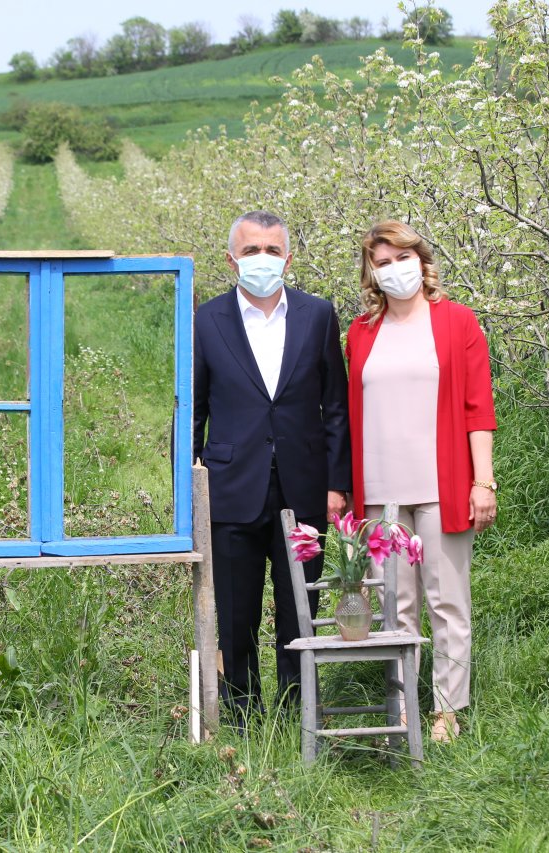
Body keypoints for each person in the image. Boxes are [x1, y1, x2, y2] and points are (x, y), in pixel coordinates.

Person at [194, 210, 351, 727]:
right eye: (251, 250)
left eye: (272, 250)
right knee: (236, 613)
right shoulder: (205, 319)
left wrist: (336, 483)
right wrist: (193, 489)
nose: (262, 259)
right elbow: (193, 411)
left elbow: (336, 407)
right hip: (230, 488)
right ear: (231, 259)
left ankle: (295, 714)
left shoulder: (317, 315)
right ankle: (240, 713)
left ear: (288, 257)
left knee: (298, 607)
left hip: (303, 488)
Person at [343, 220, 497, 743]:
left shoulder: (457, 323)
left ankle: (447, 712)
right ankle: (403, 705)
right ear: (371, 273)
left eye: (401, 258)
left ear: (422, 261)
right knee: (393, 601)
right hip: (380, 492)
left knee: (446, 599)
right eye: (382, 263)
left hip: (443, 485)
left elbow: (479, 408)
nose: (393, 270)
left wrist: (484, 482)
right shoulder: (360, 334)